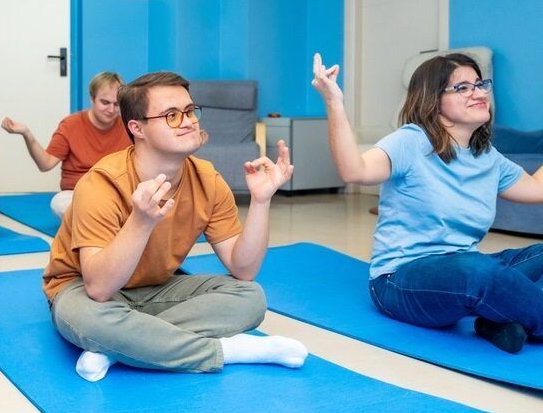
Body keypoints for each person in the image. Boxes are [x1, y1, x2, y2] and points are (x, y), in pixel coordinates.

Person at [43, 71, 308, 382]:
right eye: (171, 115)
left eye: (189, 111)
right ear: (136, 128)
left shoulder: (207, 178)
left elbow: (243, 269)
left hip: (157, 288)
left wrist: (262, 202)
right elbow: (99, 288)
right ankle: (232, 351)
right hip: (83, 288)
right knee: (86, 319)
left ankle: (118, 347)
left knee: (251, 297)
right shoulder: (101, 182)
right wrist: (140, 222)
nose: (188, 121)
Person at [311, 52, 543, 353]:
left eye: (480, 84)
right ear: (433, 100)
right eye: (462, 87)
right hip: (400, 281)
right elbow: (355, 170)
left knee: (490, 267)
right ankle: (514, 313)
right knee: (479, 272)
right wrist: (334, 103)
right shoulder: (412, 141)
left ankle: (498, 320)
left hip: (463, 272)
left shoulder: (487, 157)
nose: (479, 93)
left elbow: (537, 188)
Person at [2, 71, 132, 217]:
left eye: (116, 104)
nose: (111, 110)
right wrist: (27, 134)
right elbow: (45, 164)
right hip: (76, 194)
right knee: (59, 203)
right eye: (105, 102)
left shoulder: (128, 126)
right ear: (92, 98)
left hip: (114, 193)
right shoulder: (71, 125)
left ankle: (102, 222)